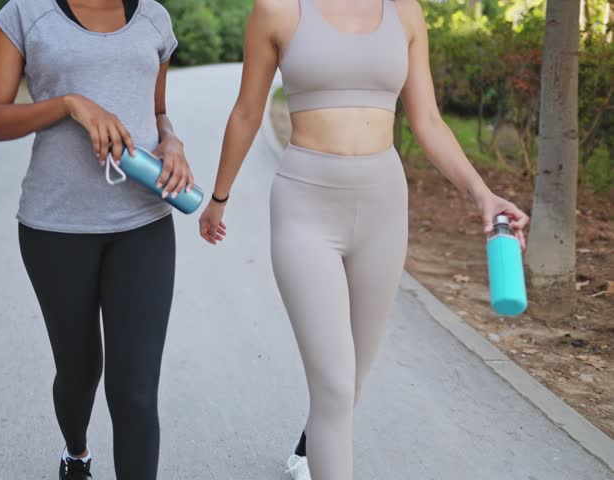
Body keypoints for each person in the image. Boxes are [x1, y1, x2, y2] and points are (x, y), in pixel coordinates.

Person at [198, 1, 530, 479]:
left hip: (383, 209)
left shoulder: (405, 13)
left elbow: (429, 120)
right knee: (334, 385)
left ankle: (311, 446)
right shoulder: (277, 10)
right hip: (305, 206)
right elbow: (249, 112)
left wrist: (482, 195)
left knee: (351, 380)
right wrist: (219, 196)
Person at [0, 0, 191, 479]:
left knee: (135, 390)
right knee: (79, 372)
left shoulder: (154, 16)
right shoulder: (25, 14)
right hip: (55, 227)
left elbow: (156, 111)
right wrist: (70, 103)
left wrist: (171, 142)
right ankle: (76, 452)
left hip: (144, 222)